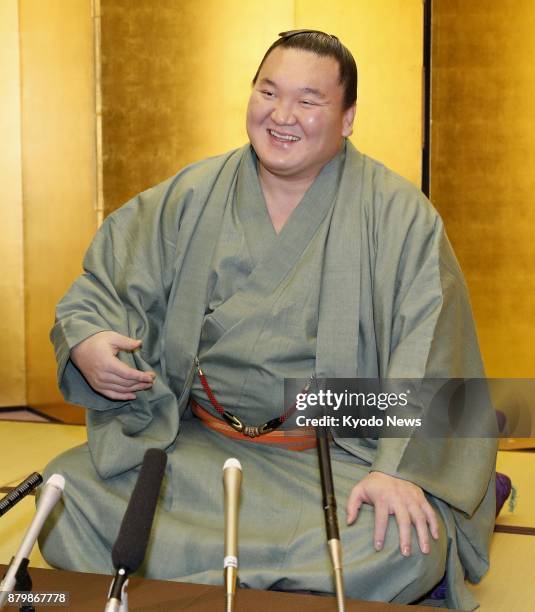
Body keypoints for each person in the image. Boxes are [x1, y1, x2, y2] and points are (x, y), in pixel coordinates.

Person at [40, 31, 497, 609]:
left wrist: (398, 471)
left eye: (309, 101)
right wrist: (88, 340)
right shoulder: (192, 195)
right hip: (196, 447)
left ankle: (193, 576)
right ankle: (278, 582)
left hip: (332, 458)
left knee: (400, 541)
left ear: (348, 117)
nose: (282, 116)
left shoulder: (399, 216)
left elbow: (431, 350)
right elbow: (105, 284)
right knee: (66, 495)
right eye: (268, 92)